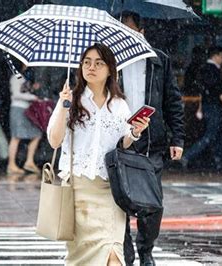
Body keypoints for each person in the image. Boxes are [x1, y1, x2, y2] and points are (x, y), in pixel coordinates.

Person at [47, 43, 150, 266]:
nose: (91, 67)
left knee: (113, 255)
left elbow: (123, 142)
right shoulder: (72, 99)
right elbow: (54, 140)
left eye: (98, 63)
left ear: (110, 69)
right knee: (81, 259)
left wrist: (135, 131)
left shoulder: (120, 105)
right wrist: (64, 106)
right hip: (78, 191)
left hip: (110, 191)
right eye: (87, 62)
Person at [120, 12, 185, 266]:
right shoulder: (109, 63)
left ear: (142, 31)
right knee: (119, 200)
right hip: (119, 141)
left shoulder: (159, 60)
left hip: (151, 142)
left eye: (130, 31)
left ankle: (146, 249)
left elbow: (173, 101)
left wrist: (177, 138)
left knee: (153, 203)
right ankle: (125, 251)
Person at [182, 46, 222, 171]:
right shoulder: (214, 70)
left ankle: (220, 161)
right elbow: (219, 90)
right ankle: (188, 156)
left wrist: (200, 108)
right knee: (211, 135)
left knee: (215, 135)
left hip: (207, 105)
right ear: (215, 56)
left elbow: (202, 91)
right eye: (221, 56)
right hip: (215, 106)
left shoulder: (204, 69)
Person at [7, 65, 42, 175]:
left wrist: (32, 89)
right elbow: (16, 94)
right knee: (16, 137)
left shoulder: (23, 78)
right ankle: (11, 164)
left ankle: (29, 161)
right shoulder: (16, 78)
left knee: (37, 134)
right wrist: (32, 97)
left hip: (26, 110)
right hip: (18, 109)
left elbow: (23, 91)